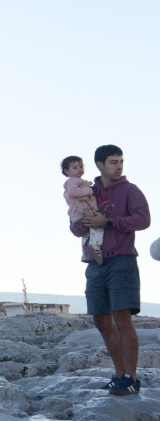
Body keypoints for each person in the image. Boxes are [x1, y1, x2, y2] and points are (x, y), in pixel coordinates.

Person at [70, 144, 150, 396]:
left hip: (122, 260)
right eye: (113, 162)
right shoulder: (87, 192)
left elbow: (143, 219)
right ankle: (118, 375)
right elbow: (74, 229)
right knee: (101, 320)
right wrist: (83, 221)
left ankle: (131, 377)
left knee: (122, 318)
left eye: (121, 161)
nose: (119, 166)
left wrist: (110, 221)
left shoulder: (130, 190)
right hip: (94, 263)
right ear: (100, 165)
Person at [61, 156, 104, 265]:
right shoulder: (73, 181)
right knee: (97, 226)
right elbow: (73, 192)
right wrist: (89, 190)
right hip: (81, 212)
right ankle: (95, 245)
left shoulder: (75, 181)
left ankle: (85, 254)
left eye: (81, 166)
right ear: (67, 171)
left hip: (76, 214)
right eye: (75, 167)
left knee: (86, 235)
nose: (79, 169)